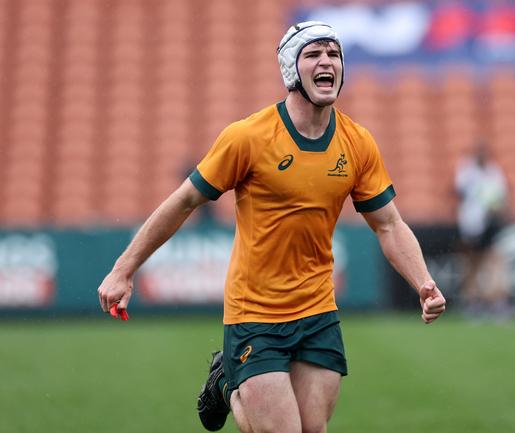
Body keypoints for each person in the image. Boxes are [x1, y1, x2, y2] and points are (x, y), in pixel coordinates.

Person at [97, 21, 446, 433]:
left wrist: (423, 282)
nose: (326, 62)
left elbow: (388, 225)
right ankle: (226, 382)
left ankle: (229, 382)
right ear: (290, 69)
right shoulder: (248, 137)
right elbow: (184, 201)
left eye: (333, 54)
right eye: (313, 54)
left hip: (318, 309)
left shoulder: (357, 142)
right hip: (255, 312)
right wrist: (124, 268)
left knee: (312, 429)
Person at [454, 144, 511, 319]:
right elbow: (459, 192)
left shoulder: (494, 172)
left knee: (492, 261)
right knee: (473, 264)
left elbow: (500, 198)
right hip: (471, 223)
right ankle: (474, 303)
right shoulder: (467, 171)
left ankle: (494, 302)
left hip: (488, 222)